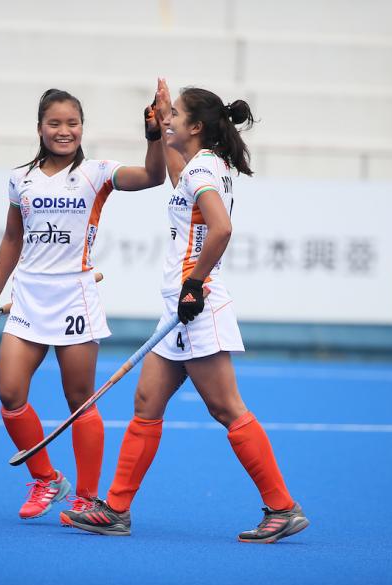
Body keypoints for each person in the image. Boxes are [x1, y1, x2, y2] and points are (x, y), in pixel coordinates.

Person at [60, 80, 309, 543]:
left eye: (174, 113)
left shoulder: (203, 172)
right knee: (146, 403)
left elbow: (222, 228)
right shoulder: (202, 165)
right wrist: (156, 131)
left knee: (226, 408)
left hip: (196, 306)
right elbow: (177, 174)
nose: (168, 117)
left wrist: (193, 284)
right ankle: (116, 509)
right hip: (177, 310)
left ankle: (282, 507)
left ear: (195, 126)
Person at [0, 87, 166, 520]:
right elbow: (12, 237)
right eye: (55, 124)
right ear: (40, 128)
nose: (64, 131)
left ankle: (84, 496)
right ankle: (47, 479)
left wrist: (153, 135)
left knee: (79, 399)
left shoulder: (97, 173)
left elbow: (154, 177)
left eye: (72, 123)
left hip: (74, 298)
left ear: (83, 128)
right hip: (27, 297)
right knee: (10, 393)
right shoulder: (19, 178)